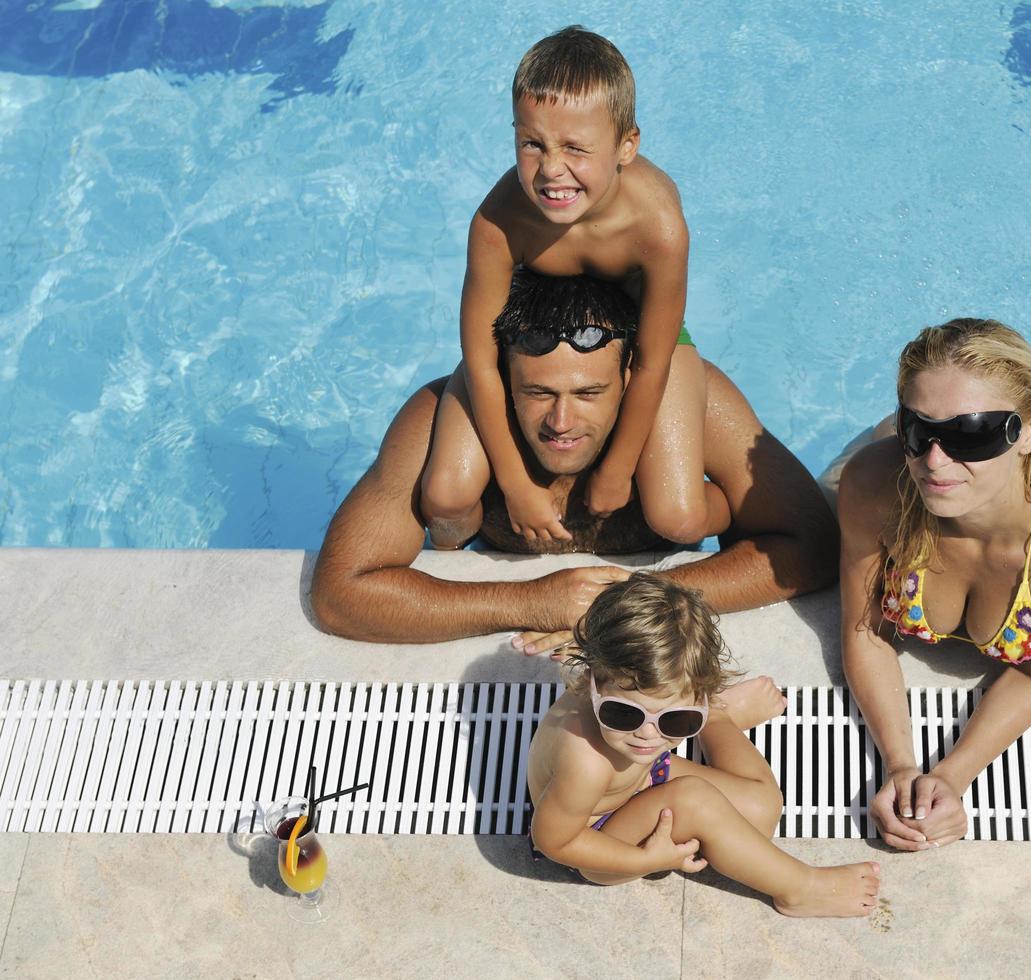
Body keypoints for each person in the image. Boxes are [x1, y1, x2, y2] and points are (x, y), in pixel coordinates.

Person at [309, 270, 837, 648]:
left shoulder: (690, 406)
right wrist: (526, 603)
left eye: (588, 394)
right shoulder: (440, 420)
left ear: (631, 377)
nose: (561, 423)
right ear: (502, 379)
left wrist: (626, 601)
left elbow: (813, 546)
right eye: (538, 392)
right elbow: (339, 594)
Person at [837, 318, 1031, 850]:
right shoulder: (877, 486)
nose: (935, 460)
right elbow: (866, 631)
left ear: (1028, 429)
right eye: (918, 428)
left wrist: (954, 776)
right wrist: (901, 764)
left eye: (971, 434)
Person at [421, 25, 725, 552]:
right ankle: (457, 555)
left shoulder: (657, 227)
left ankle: (732, 503)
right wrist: (514, 484)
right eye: (531, 144)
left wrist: (619, 467)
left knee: (677, 515)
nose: (551, 170)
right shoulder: (499, 223)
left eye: (575, 148)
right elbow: (479, 358)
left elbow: (653, 359)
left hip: (636, 337)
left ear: (626, 145)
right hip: (538, 339)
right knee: (444, 496)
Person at [528, 573, 881, 917]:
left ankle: (718, 715)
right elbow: (553, 840)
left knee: (762, 809)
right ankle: (800, 888)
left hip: (638, 780)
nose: (649, 735)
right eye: (623, 715)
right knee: (696, 801)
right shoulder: (586, 761)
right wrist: (646, 860)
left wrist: (690, 716)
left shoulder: (635, 728)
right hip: (598, 841)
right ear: (592, 681)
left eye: (677, 720)